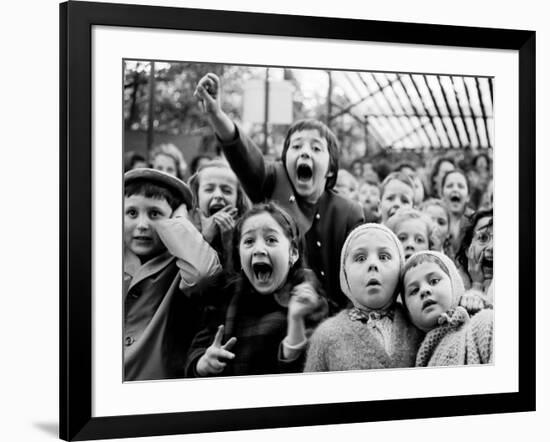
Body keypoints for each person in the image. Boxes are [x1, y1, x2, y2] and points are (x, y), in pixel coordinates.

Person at [194, 73, 364, 313]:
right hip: (274, 314)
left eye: (316, 148)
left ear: (331, 169)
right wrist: (216, 115)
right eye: (296, 146)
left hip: (333, 319)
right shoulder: (273, 180)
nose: (305, 152)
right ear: (285, 160)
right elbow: (245, 156)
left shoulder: (348, 212)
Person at [185, 203, 328, 377]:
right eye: (249, 241)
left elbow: (311, 371)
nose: (259, 250)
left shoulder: (307, 295)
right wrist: (203, 363)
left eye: (271, 240)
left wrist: (295, 320)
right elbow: (196, 351)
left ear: (293, 253)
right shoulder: (227, 294)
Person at [123, 168, 221, 381]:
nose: (142, 225)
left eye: (155, 214)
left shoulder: (180, 263)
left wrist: (180, 222)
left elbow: (202, 273)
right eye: (131, 213)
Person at [304, 224, 423, 372]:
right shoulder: (326, 335)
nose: (372, 264)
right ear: (344, 274)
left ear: (400, 268)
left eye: (384, 257)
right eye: (360, 258)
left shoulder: (419, 322)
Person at [401, 251, 493, 366]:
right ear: (408, 312)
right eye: (414, 290)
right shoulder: (410, 358)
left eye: (434, 281)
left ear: (455, 285)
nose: (424, 290)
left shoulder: (483, 323)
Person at [188, 160, 251, 270]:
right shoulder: (184, 231)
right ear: (196, 197)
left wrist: (228, 243)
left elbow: (234, 282)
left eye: (226, 191)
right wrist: (205, 239)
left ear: (238, 199)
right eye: (209, 189)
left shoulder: (247, 234)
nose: (218, 195)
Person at [455, 209, 494, 305]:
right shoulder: (452, 287)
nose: (491, 247)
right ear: (467, 249)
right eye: (483, 238)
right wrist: (477, 285)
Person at [440, 169, 473, 257]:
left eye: (460, 186)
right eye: (450, 186)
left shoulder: (475, 222)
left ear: (468, 196)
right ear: (442, 194)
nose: (455, 189)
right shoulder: (433, 220)